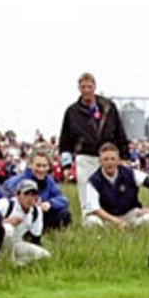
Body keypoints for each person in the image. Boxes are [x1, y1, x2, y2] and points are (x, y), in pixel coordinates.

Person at [58, 72, 129, 214]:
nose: (87, 90)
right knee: (86, 190)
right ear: (79, 88)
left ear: (94, 87)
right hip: (85, 156)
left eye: (89, 87)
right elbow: (65, 140)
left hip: (108, 155)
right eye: (83, 87)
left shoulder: (108, 107)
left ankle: (111, 217)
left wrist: (124, 156)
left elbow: (119, 132)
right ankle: (89, 218)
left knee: (110, 189)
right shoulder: (72, 112)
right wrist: (66, 165)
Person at [82, 142, 149, 229]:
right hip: (107, 217)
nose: (109, 162)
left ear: (118, 160)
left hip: (129, 214)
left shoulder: (130, 173)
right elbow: (95, 209)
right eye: (106, 159)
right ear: (100, 161)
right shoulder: (94, 181)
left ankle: (131, 227)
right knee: (91, 222)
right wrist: (116, 221)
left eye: (113, 159)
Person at [3, 150, 72, 231]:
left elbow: (63, 200)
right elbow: (5, 199)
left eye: (44, 166)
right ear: (30, 165)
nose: (41, 169)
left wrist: (50, 203)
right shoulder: (18, 181)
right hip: (22, 215)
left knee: (64, 212)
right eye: (38, 165)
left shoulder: (49, 180)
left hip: (42, 213)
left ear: (49, 167)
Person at [0, 179, 51, 265]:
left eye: (33, 194)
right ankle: (4, 262)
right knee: (8, 229)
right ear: (17, 194)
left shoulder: (36, 211)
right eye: (26, 194)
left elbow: (36, 237)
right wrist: (5, 221)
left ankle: (11, 262)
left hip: (16, 243)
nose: (30, 198)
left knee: (45, 256)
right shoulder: (6, 204)